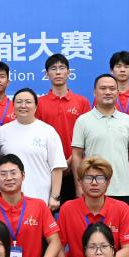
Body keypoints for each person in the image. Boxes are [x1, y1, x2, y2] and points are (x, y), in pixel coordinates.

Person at [70, 74, 129, 214]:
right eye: (103, 88)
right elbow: (77, 155)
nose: (108, 92)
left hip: (123, 189)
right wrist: (79, 185)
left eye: (112, 88)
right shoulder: (83, 120)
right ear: (94, 92)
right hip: (93, 188)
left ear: (118, 92)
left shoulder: (126, 120)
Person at [0, 88, 66, 210]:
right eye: (19, 102)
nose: (23, 105)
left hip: (40, 198)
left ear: (36, 106)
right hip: (8, 200)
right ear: (13, 105)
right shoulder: (3, 131)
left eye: (28, 102)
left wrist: (55, 197)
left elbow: (57, 167)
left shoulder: (48, 131)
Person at [36, 53, 92, 203]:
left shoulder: (82, 102)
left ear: (68, 72)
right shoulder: (38, 103)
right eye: (53, 68)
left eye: (62, 68)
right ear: (47, 74)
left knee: (76, 210)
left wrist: (70, 161)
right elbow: (37, 136)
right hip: (47, 169)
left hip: (76, 168)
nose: (58, 72)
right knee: (46, 210)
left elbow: (88, 136)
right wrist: (57, 163)